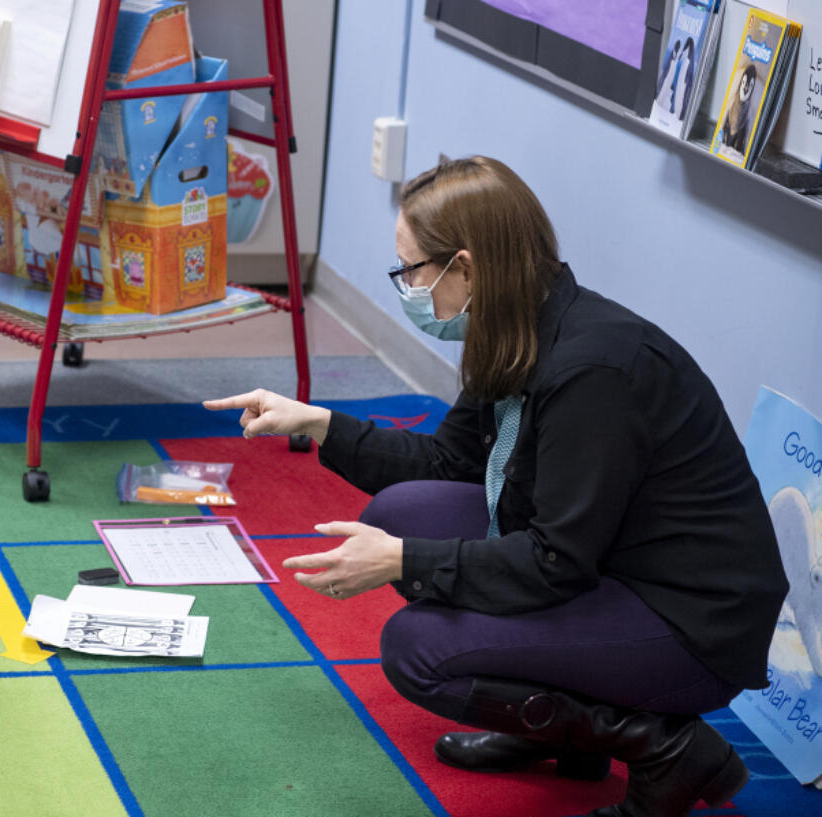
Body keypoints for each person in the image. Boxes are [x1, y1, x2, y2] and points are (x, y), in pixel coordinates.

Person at [205, 156, 788, 817]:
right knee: (405, 513)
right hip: (612, 566)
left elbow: (554, 559)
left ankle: (664, 748)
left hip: (689, 623)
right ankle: (567, 735)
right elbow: (448, 462)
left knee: (418, 648)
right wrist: (323, 424)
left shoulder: (592, 370)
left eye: (411, 270)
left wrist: (401, 561)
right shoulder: (515, 324)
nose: (404, 285)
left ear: (466, 268)